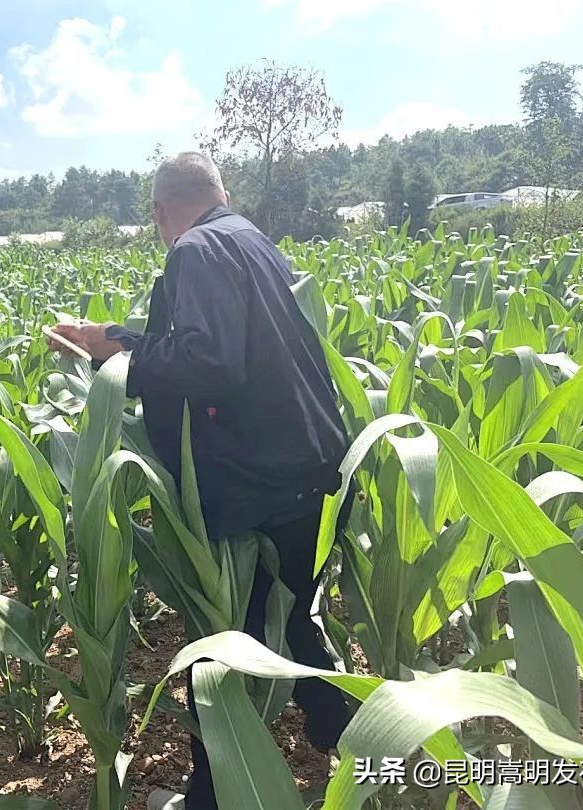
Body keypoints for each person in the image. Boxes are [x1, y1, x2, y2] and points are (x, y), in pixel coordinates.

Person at [48, 152, 353, 810]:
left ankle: (209, 800)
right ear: (222, 192)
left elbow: (211, 364)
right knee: (293, 618)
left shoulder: (196, 249)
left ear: (160, 212)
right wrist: (123, 342)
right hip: (310, 471)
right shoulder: (251, 240)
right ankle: (357, 739)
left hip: (259, 486)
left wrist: (117, 347)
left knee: (220, 646)